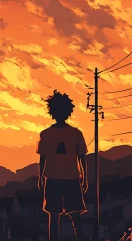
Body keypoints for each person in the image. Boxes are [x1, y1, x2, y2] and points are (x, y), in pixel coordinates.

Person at [37, 90, 88, 241]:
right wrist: (85, 178)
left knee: (54, 216)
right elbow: (82, 158)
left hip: (53, 178)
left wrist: (40, 178)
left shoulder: (45, 134)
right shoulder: (76, 133)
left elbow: (42, 159)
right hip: (71, 178)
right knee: (76, 215)